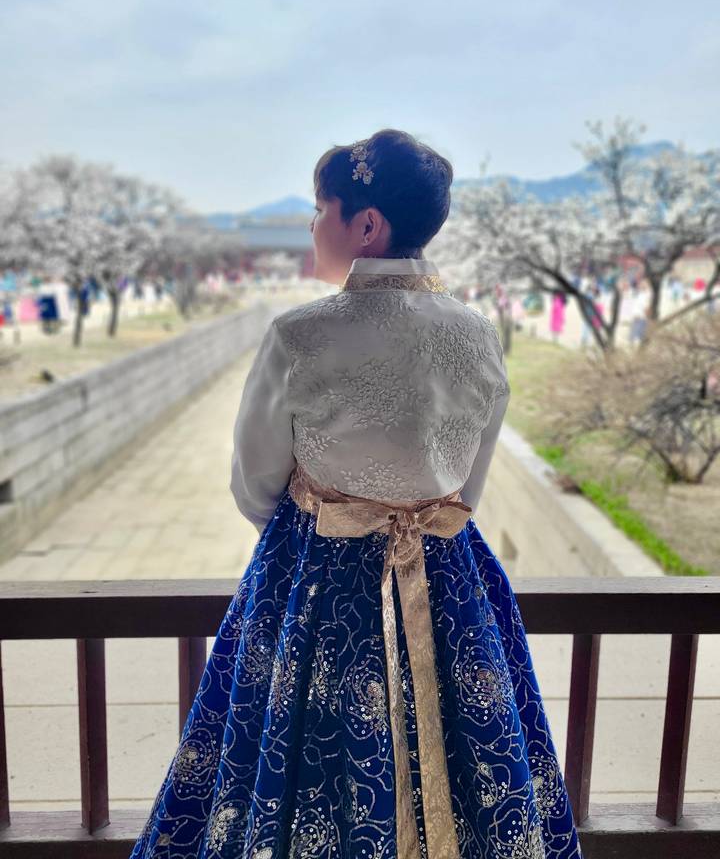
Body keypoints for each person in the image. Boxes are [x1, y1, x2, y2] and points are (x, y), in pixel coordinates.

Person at [130, 130, 583, 858]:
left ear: (366, 225)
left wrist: (327, 526)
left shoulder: (301, 335)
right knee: (475, 769)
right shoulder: (477, 334)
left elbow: (255, 484)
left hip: (316, 584)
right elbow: (468, 488)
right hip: (449, 585)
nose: (312, 225)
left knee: (294, 771)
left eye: (320, 208)